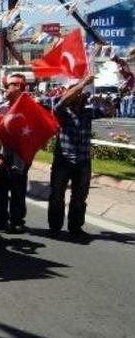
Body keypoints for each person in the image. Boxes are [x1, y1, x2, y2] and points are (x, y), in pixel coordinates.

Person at [48, 75, 95, 237]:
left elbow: (109, 111)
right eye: (76, 91)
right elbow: (63, 100)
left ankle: (75, 227)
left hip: (83, 161)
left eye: (81, 92)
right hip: (64, 159)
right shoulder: (61, 110)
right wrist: (83, 83)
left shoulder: (88, 111)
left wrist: (103, 100)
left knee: (80, 197)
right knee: (57, 195)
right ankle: (55, 227)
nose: (80, 94)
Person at [0, 74, 30, 233]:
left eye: (8, 86)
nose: (5, 89)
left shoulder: (31, 108)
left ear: (18, 87)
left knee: (18, 189)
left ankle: (17, 220)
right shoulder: (2, 107)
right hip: (1, 154)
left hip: (20, 155)